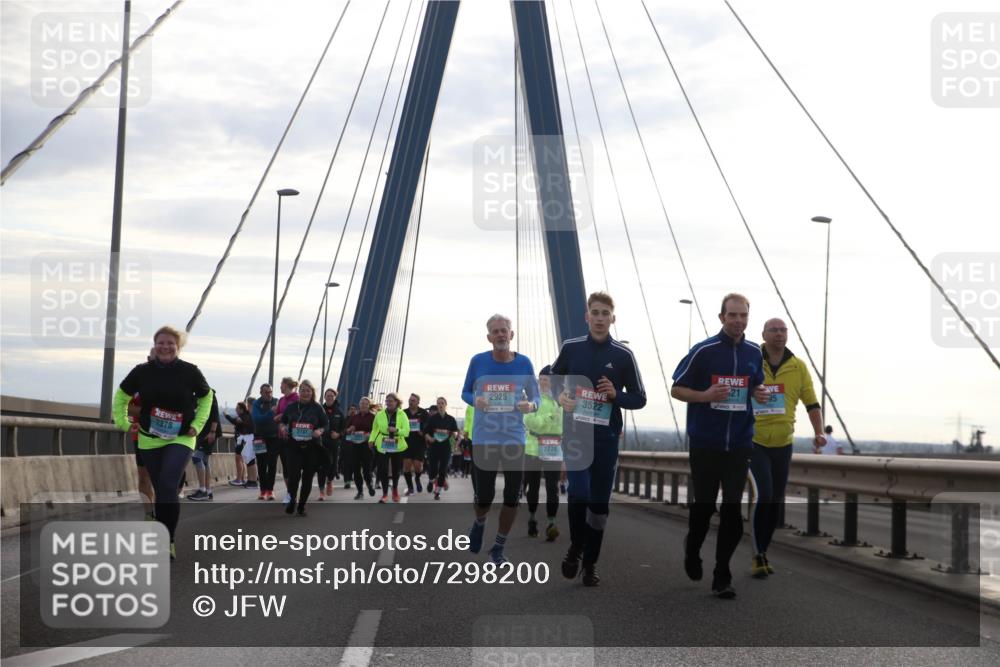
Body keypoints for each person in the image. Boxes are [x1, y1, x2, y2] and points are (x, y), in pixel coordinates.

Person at [670, 293, 770, 599]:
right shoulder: (704, 351)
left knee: (731, 512)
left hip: (739, 443)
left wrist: (759, 393)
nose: (738, 321)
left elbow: (756, 384)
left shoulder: (754, 352)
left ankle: (721, 574)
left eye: (743, 316)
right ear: (721, 317)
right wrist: (705, 396)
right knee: (703, 508)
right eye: (732, 315)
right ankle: (692, 548)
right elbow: (677, 388)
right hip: (705, 443)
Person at [551, 292, 647, 586]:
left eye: (606, 313)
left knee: (600, 507)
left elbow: (640, 398)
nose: (600, 318)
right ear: (587, 317)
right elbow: (554, 380)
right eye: (596, 312)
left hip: (606, 440)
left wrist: (617, 395)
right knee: (579, 494)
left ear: (612, 319)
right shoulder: (571, 348)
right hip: (577, 436)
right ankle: (577, 547)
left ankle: (590, 562)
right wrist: (562, 397)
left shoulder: (623, 355)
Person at [113, 325, 214, 560]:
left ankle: (166, 540)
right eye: (161, 342)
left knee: (168, 484)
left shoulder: (190, 372)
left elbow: (207, 397)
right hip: (150, 438)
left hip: (181, 437)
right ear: (154, 345)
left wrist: (198, 424)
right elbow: (121, 396)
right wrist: (124, 423)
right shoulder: (141, 371)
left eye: (170, 343)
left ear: (178, 347)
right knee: (161, 489)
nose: (165, 346)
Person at [749, 318, 826, 578]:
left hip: (783, 443)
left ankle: (763, 551)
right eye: (774, 330)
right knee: (765, 493)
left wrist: (818, 432)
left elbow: (812, 403)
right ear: (763, 334)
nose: (779, 334)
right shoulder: (750, 359)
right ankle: (758, 553)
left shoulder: (798, 366)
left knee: (775, 501)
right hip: (754, 440)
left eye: (783, 330)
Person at [461, 314, 539, 565]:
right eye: (495, 331)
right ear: (489, 337)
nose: (500, 335)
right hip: (484, 438)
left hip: (514, 438)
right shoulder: (478, 361)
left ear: (511, 334)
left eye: (504, 330)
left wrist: (530, 405)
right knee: (484, 495)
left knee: (512, 495)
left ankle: (498, 547)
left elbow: (536, 398)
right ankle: (480, 522)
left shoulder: (525, 364)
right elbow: (464, 392)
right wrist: (477, 400)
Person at [522, 366, 563, 541]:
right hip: (533, 448)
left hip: (554, 448)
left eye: (547, 379)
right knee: (533, 487)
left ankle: (551, 522)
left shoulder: (561, 401)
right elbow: (529, 421)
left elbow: (566, 426)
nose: (544, 382)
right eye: (542, 379)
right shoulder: (532, 399)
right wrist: (549, 420)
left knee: (553, 488)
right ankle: (532, 518)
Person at [278, 379, 328, 516]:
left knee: (307, 478)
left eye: (308, 391)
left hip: (312, 447)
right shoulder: (292, 407)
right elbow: (283, 421)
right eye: (303, 390)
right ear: (299, 392)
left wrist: (320, 431)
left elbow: (326, 424)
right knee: (293, 477)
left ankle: (302, 505)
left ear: (312, 393)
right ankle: (293, 500)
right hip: (293, 446)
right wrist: (283, 427)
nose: (305, 393)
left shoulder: (318, 408)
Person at [371, 392, 411, 503]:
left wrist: (397, 430)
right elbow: (375, 429)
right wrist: (371, 440)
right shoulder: (379, 414)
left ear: (396, 402)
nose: (388, 403)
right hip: (383, 444)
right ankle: (384, 495)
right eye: (387, 401)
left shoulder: (402, 415)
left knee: (395, 470)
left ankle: (394, 490)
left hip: (397, 445)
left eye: (391, 401)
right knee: (382, 469)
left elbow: (407, 431)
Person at [187, 390, 220, 501]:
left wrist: (212, 432)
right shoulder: (193, 393)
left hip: (209, 431)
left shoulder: (208, 392)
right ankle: (208, 490)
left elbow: (215, 413)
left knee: (197, 457)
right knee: (204, 460)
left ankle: (202, 490)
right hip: (202, 431)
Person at [425, 397, 459, 500]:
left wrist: (454, 437)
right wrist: (429, 438)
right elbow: (426, 432)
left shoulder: (451, 419)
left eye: (442, 403)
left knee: (443, 470)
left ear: (445, 405)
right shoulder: (432, 419)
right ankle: (431, 480)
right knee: (433, 469)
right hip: (434, 447)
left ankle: (437, 491)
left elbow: (455, 432)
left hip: (446, 447)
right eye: (438, 403)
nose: (440, 405)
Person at [252, 384, 281, 500]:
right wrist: (270, 413)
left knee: (272, 463)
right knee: (261, 464)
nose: (269, 394)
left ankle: (270, 490)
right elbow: (257, 419)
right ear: (261, 393)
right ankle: (263, 490)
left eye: (270, 392)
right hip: (259, 437)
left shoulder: (276, 401)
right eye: (266, 392)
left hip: (274, 437)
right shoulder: (256, 404)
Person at [274, 377, 300, 504]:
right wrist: (280, 422)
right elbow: (277, 417)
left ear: (288, 385)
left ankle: (293, 493)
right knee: (285, 466)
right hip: (282, 437)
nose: (280, 387)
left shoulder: (297, 398)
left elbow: (296, 415)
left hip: (295, 437)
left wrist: (282, 416)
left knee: (293, 467)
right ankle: (290, 493)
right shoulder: (281, 400)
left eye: (281, 384)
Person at [317, 388, 345, 499]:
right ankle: (321, 492)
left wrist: (338, 434)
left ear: (335, 397)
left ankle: (330, 481)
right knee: (321, 467)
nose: (329, 397)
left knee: (333, 466)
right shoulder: (320, 410)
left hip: (334, 443)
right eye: (327, 395)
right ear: (324, 397)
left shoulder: (339, 412)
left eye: (331, 396)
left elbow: (344, 428)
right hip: (321, 443)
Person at [345, 398, 376, 499]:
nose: (363, 405)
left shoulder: (373, 417)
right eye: (361, 403)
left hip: (367, 446)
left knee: (367, 470)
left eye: (365, 403)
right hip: (355, 446)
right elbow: (346, 430)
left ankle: (369, 485)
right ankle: (360, 492)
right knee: (356, 470)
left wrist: (370, 435)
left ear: (369, 405)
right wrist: (350, 429)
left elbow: (377, 431)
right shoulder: (354, 417)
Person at [225, 401, 258, 488]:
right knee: (247, 460)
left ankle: (248, 480)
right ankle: (248, 480)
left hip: (246, 440)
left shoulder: (247, 416)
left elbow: (236, 422)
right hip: (244, 440)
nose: (236, 409)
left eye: (237, 408)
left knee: (248, 460)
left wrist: (226, 415)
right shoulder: (247, 416)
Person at [402, 393, 429, 496]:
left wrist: (423, 432)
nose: (410, 402)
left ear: (418, 402)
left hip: (419, 442)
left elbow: (428, 427)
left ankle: (417, 479)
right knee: (407, 466)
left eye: (413, 400)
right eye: (409, 400)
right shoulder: (403, 413)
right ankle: (410, 487)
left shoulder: (423, 413)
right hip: (406, 442)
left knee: (418, 466)